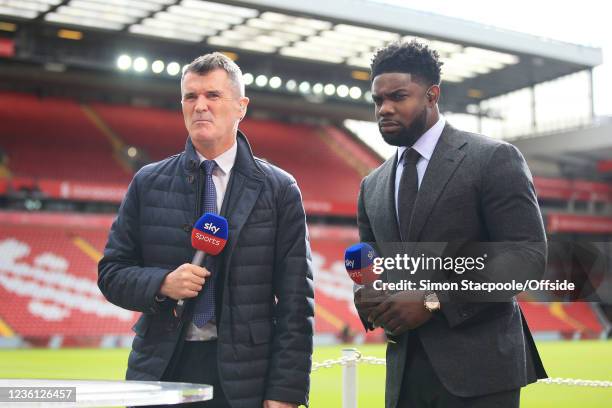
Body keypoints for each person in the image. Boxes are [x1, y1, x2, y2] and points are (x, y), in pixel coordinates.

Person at [98, 53, 314, 408]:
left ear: (241, 106)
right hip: (162, 368)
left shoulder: (279, 189)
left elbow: (295, 301)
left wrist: (285, 393)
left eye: (212, 96)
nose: (200, 106)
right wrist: (162, 283)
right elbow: (111, 273)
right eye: (191, 96)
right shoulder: (149, 182)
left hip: (246, 377)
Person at [354, 40, 547, 408]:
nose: (385, 109)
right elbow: (373, 263)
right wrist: (368, 294)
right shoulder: (372, 184)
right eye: (378, 100)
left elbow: (525, 258)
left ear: (432, 95)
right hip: (404, 374)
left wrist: (431, 300)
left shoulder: (492, 159)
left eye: (398, 96)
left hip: (482, 373)